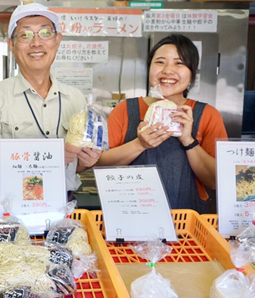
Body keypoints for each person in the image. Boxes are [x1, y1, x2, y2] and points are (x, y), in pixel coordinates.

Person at [0, 3, 100, 195]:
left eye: (45, 33)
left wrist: (86, 161)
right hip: (12, 208)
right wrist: (53, 155)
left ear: (57, 40)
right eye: (25, 35)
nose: (36, 43)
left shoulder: (75, 98)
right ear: (11, 45)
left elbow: (76, 167)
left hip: (66, 206)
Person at [96, 34, 227, 213]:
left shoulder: (208, 115)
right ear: (149, 68)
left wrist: (189, 141)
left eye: (179, 63)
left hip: (188, 221)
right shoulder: (125, 109)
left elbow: (215, 180)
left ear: (192, 73)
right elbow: (100, 164)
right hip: (130, 213)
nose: (167, 70)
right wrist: (139, 144)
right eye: (160, 62)